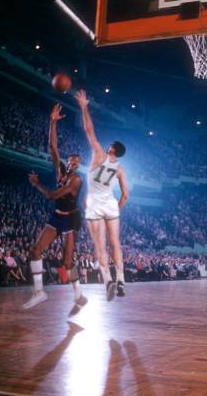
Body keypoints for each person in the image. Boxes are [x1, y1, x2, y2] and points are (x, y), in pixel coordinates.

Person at [22, 104, 86, 316]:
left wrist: (36, 184)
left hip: (70, 220)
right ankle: (39, 291)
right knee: (35, 250)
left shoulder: (76, 180)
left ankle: (78, 295)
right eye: (71, 160)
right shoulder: (61, 170)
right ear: (68, 161)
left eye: (77, 162)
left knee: (67, 263)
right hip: (56, 217)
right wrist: (52, 122)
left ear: (79, 165)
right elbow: (52, 146)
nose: (73, 164)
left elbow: (51, 195)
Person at [75, 90, 129, 300]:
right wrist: (116, 210)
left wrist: (83, 106)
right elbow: (125, 195)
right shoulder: (120, 169)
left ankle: (108, 280)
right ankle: (122, 279)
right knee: (115, 243)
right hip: (110, 205)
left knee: (99, 244)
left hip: (95, 204)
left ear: (111, 148)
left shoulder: (99, 153)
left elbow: (89, 130)